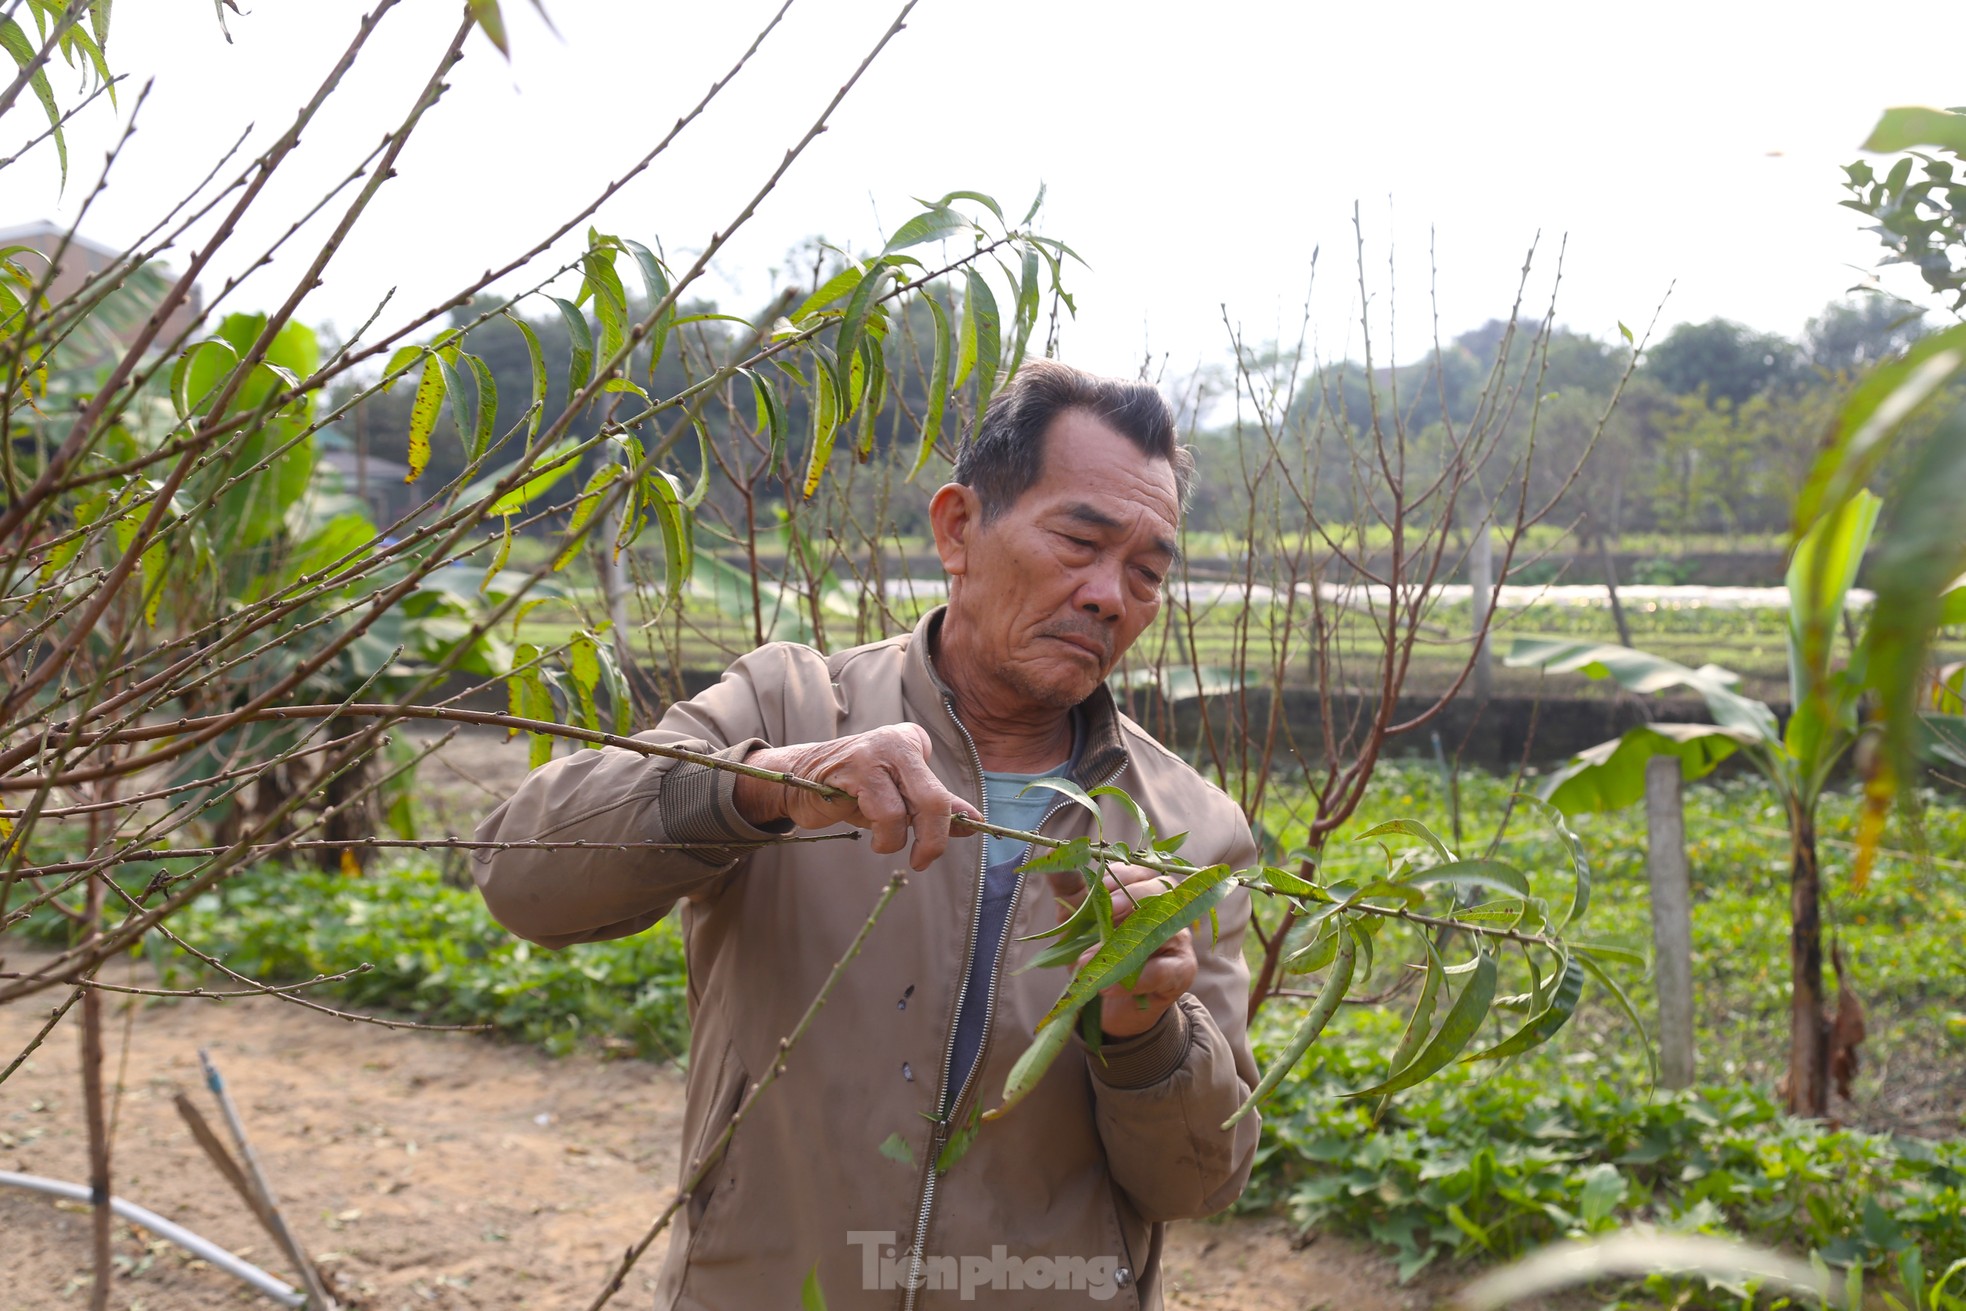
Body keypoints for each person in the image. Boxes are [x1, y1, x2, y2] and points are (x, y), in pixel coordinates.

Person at [472, 360, 1259, 1309]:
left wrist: (1142, 1029)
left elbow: (1197, 1181)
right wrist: (765, 785)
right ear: (960, 527)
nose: (1109, 597)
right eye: (1079, 541)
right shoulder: (792, 707)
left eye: (1146, 572)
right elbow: (524, 875)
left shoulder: (1190, 831)